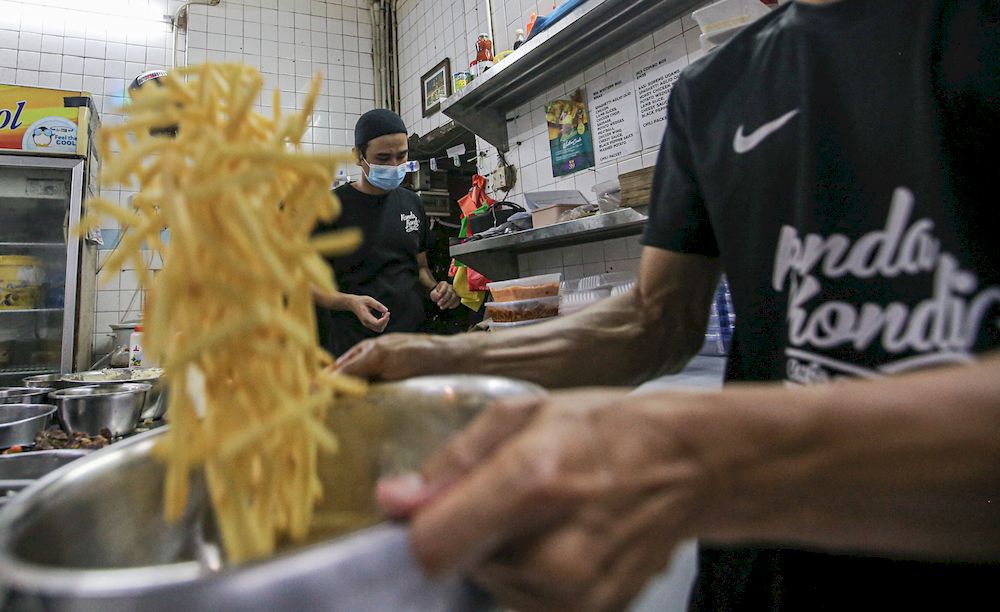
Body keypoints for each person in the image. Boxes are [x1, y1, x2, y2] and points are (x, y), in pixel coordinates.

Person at [338, 1, 1000, 610]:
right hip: (761, 569)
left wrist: (686, 452)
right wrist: (438, 360)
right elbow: (654, 319)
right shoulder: (715, 92)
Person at [313, 109, 460, 357]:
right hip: (353, 345)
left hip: (411, 340)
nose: (394, 165)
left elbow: (420, 267)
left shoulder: (412, 203)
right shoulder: (329, 208)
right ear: (358, 156)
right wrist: (349, 302)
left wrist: (437, 289)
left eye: (401, 156)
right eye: (383, 158)